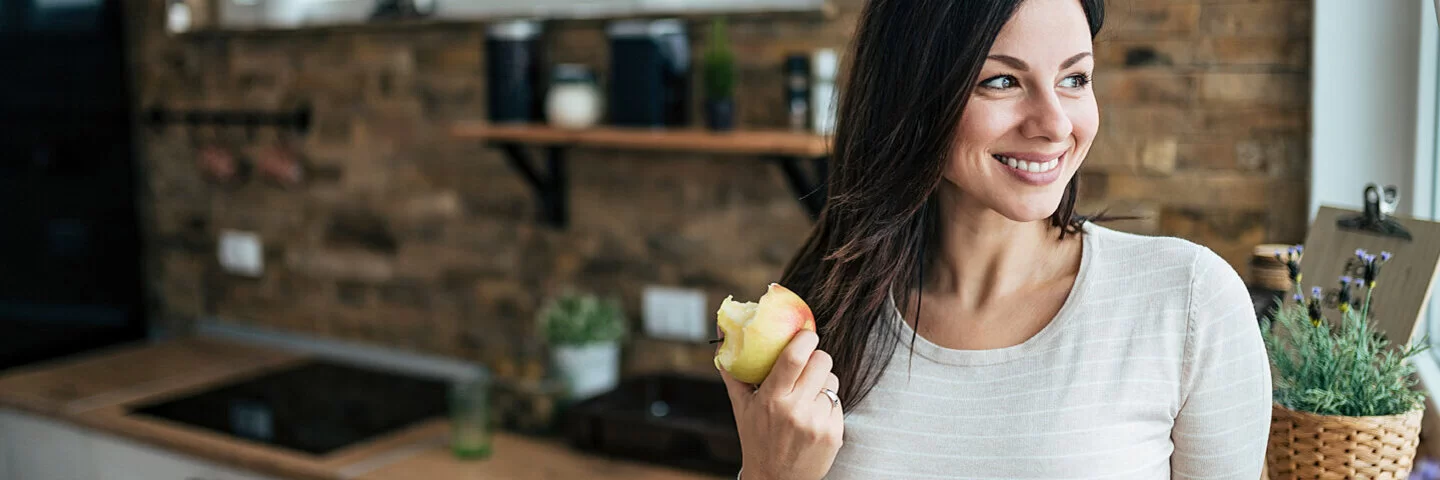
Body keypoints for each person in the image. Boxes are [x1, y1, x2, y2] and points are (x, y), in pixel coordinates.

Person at [715, 0, 1274, 478]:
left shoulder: (1189, 302)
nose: (1054, 124)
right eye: (1002, 80)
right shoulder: (824, 311)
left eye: (1074, 78)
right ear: (914, 95)